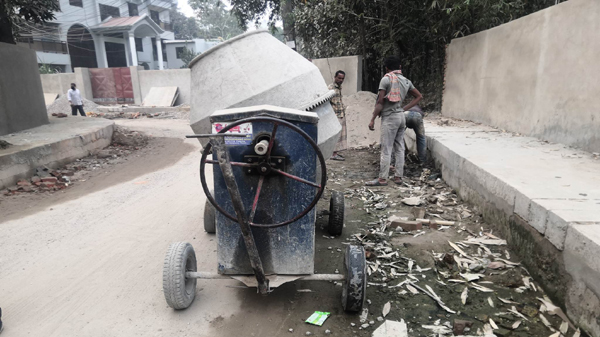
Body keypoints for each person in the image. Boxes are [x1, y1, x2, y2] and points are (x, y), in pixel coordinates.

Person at [366, 56, 423, 186]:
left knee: (386, 149)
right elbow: (419, 96)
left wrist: (372, 119)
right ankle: (398, 177)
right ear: (400, 67)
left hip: (390, 117)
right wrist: (404, 108)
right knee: (399, 148)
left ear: (386, 68)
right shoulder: (406, 81)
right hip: (401, 117)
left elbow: (380, 102)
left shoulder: (386, 80)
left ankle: (382, 179)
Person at [328, 70, 347, 161]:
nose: (341, 80)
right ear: (335, 77)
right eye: (339, 78)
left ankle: (335, 152)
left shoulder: (339, 88)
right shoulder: (330, 88)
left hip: (340, 114)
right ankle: (333, 154)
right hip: (335, 115)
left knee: (340, 135)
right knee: (336, 135)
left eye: (342, 78)